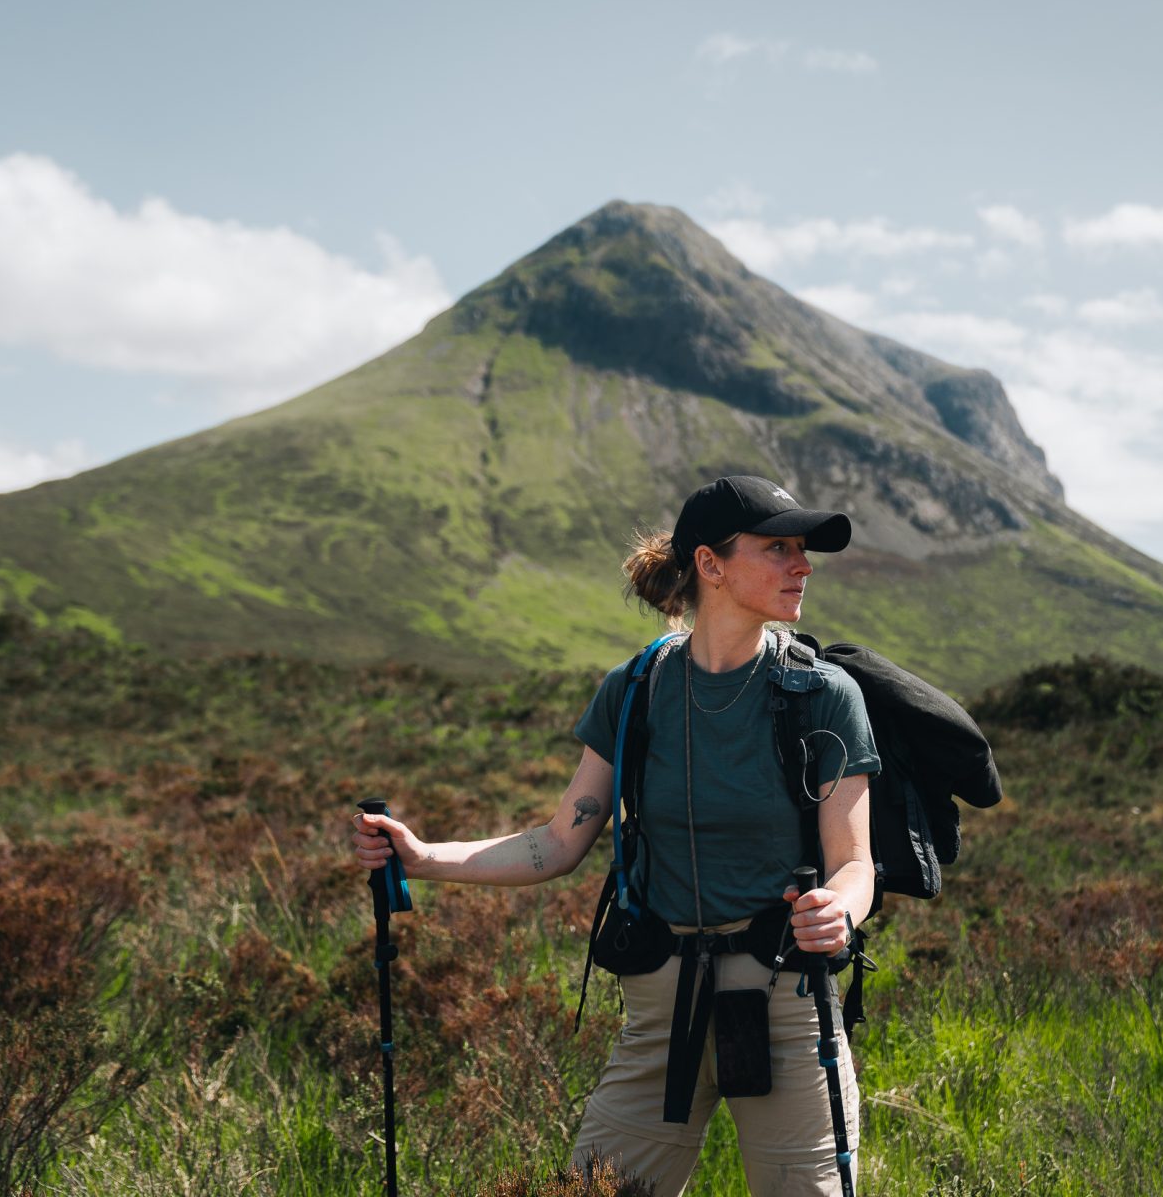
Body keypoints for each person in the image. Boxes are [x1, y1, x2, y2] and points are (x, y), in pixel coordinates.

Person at [352, 475, 879, 1196]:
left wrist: (839, 909)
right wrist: (421, 858)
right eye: (779, 547)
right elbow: (559, 841)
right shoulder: (634, 691)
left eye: (804, 549)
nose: (803, 565)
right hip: (660, 1006)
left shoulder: (823, 696)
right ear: (710, 564)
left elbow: (855, 864)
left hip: (788, 999)